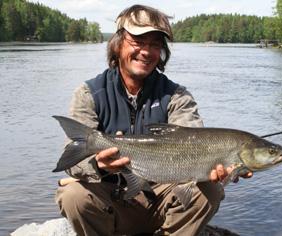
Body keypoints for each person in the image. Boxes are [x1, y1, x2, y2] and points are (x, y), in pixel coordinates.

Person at [55, 4, 252, 236]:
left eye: (155, 44)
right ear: (118, 44)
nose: (146, 52)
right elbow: (73, 163)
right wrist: (98, 165)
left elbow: (196, 140)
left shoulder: (177, 96)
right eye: (138, 41)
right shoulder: (89, 93)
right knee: (72, 196)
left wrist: (217, 166)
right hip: (112, 204)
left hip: (161, 201)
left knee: (210, 190)